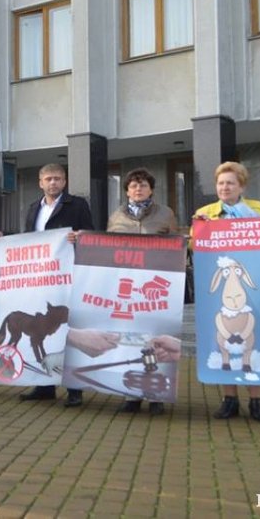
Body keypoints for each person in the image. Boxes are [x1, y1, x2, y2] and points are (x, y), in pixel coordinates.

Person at [0, 162, 97, 407]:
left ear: (65, 181)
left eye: (58, 178)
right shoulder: (33, 208)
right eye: (48, 179)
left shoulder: (77, 205)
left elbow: (90, 233)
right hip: (41, 280)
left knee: (69, 332)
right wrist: (3, 239)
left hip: (67, 277)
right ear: (40, 183)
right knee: (43, 335)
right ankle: (44, 386)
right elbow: (28, 240)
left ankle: (74, 390)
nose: (53, 182)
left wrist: (80, 236)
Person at [193, 161, 260, 423]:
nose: (224, 187)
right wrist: (200, 229)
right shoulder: (205, 212)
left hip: (251, 286)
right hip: (220, 289)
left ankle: (256, 400)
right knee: (223, 340)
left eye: (230, 183)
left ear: (241, 186)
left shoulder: (259, 210)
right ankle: (230, 399)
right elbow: (195, 247)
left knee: (253, 340)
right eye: (221, 183)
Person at [106, 167, 178, 416]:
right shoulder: (116, 216)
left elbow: (176, 247)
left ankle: (156, 395)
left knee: (155, 341)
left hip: (154, 288)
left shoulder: (166, 214)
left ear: (151, 190)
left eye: (143, 185)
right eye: (134, 185)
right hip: (126, 288)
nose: (138, 189)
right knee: (130, 339)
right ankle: (132, 394)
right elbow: (107, 248)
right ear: (127, 191)